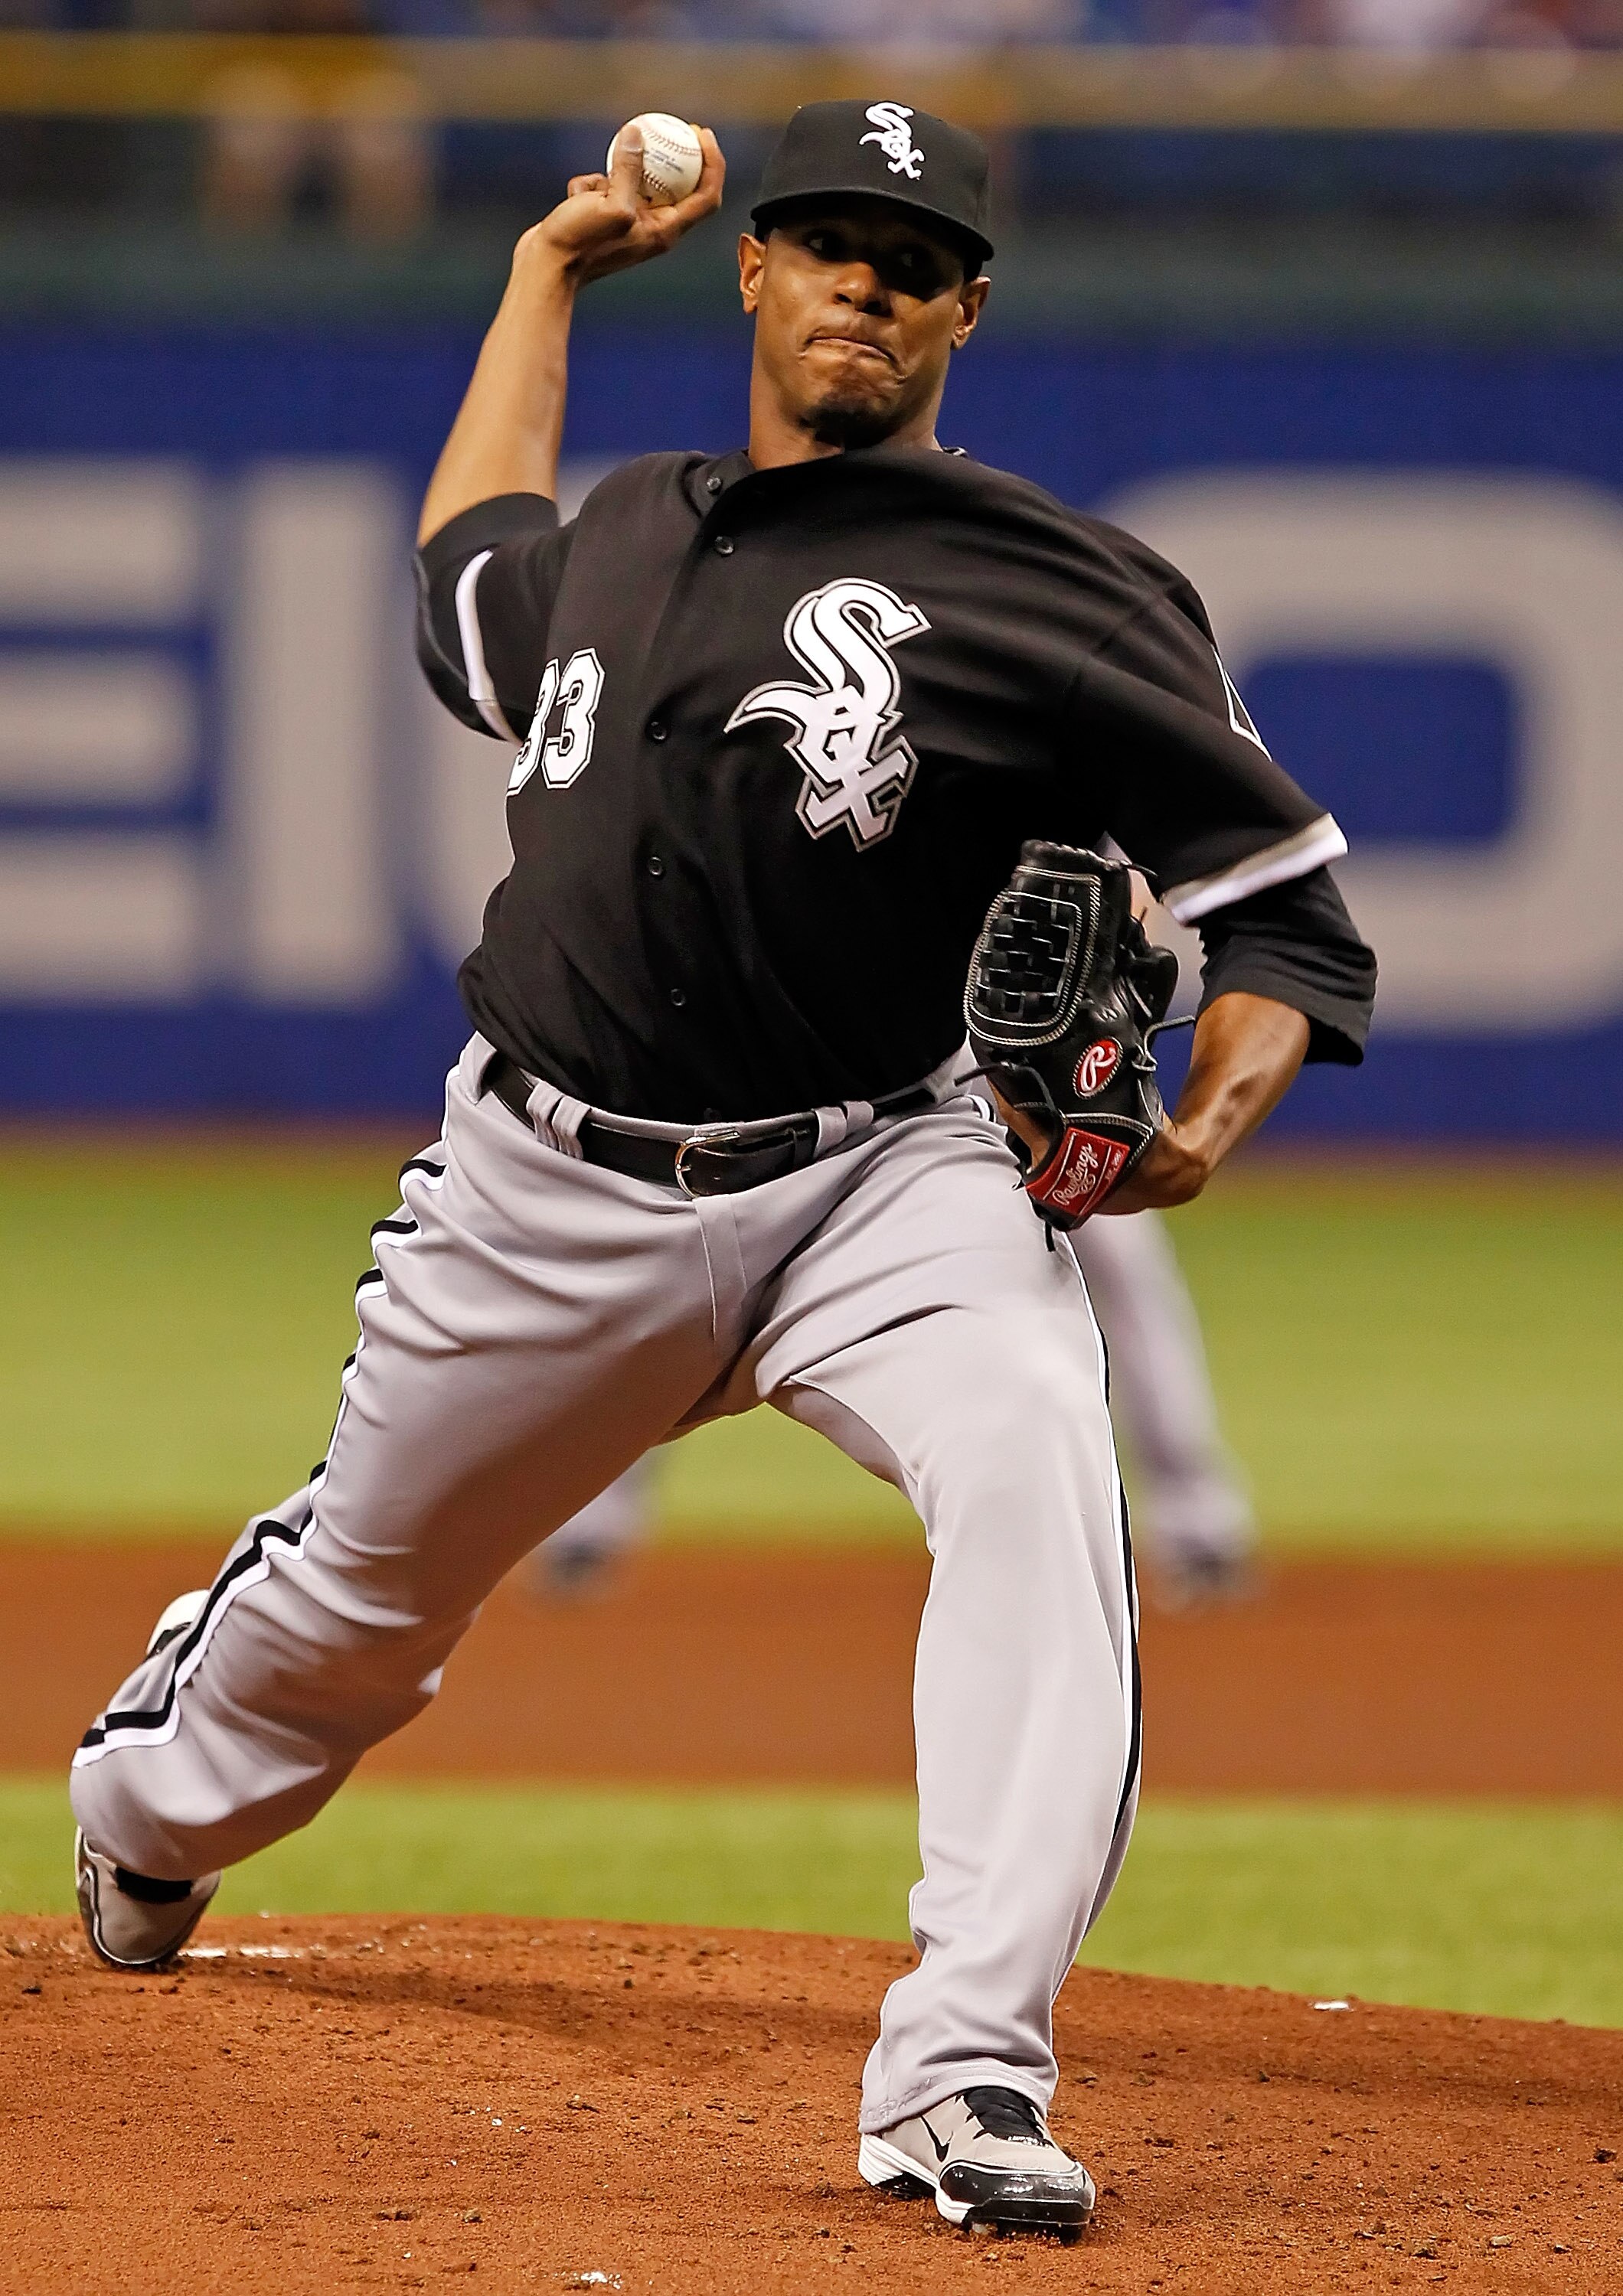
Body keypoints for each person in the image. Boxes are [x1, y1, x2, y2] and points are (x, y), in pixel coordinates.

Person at [70, 100, 1374, 2237]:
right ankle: (152, 1806)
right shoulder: (629, 533)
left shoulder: (1070, 587)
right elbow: (458, 574)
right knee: (351, 1630)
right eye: (829, 240)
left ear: (966, 309)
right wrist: (542, 275)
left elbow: (1291, 914)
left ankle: (966, 2074)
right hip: (545, 1188)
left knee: (1047, 1464)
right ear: (754, 272)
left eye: (913, 253)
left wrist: (1198, 1138)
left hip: (889, 1173)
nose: (866, 278)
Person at [532, 1209, 1256, 1606]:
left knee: (1121, 1259)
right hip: (851, 1053)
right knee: (696, 1259)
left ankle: (1199, 1521)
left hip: (1005, 1046)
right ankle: (592, 1520)